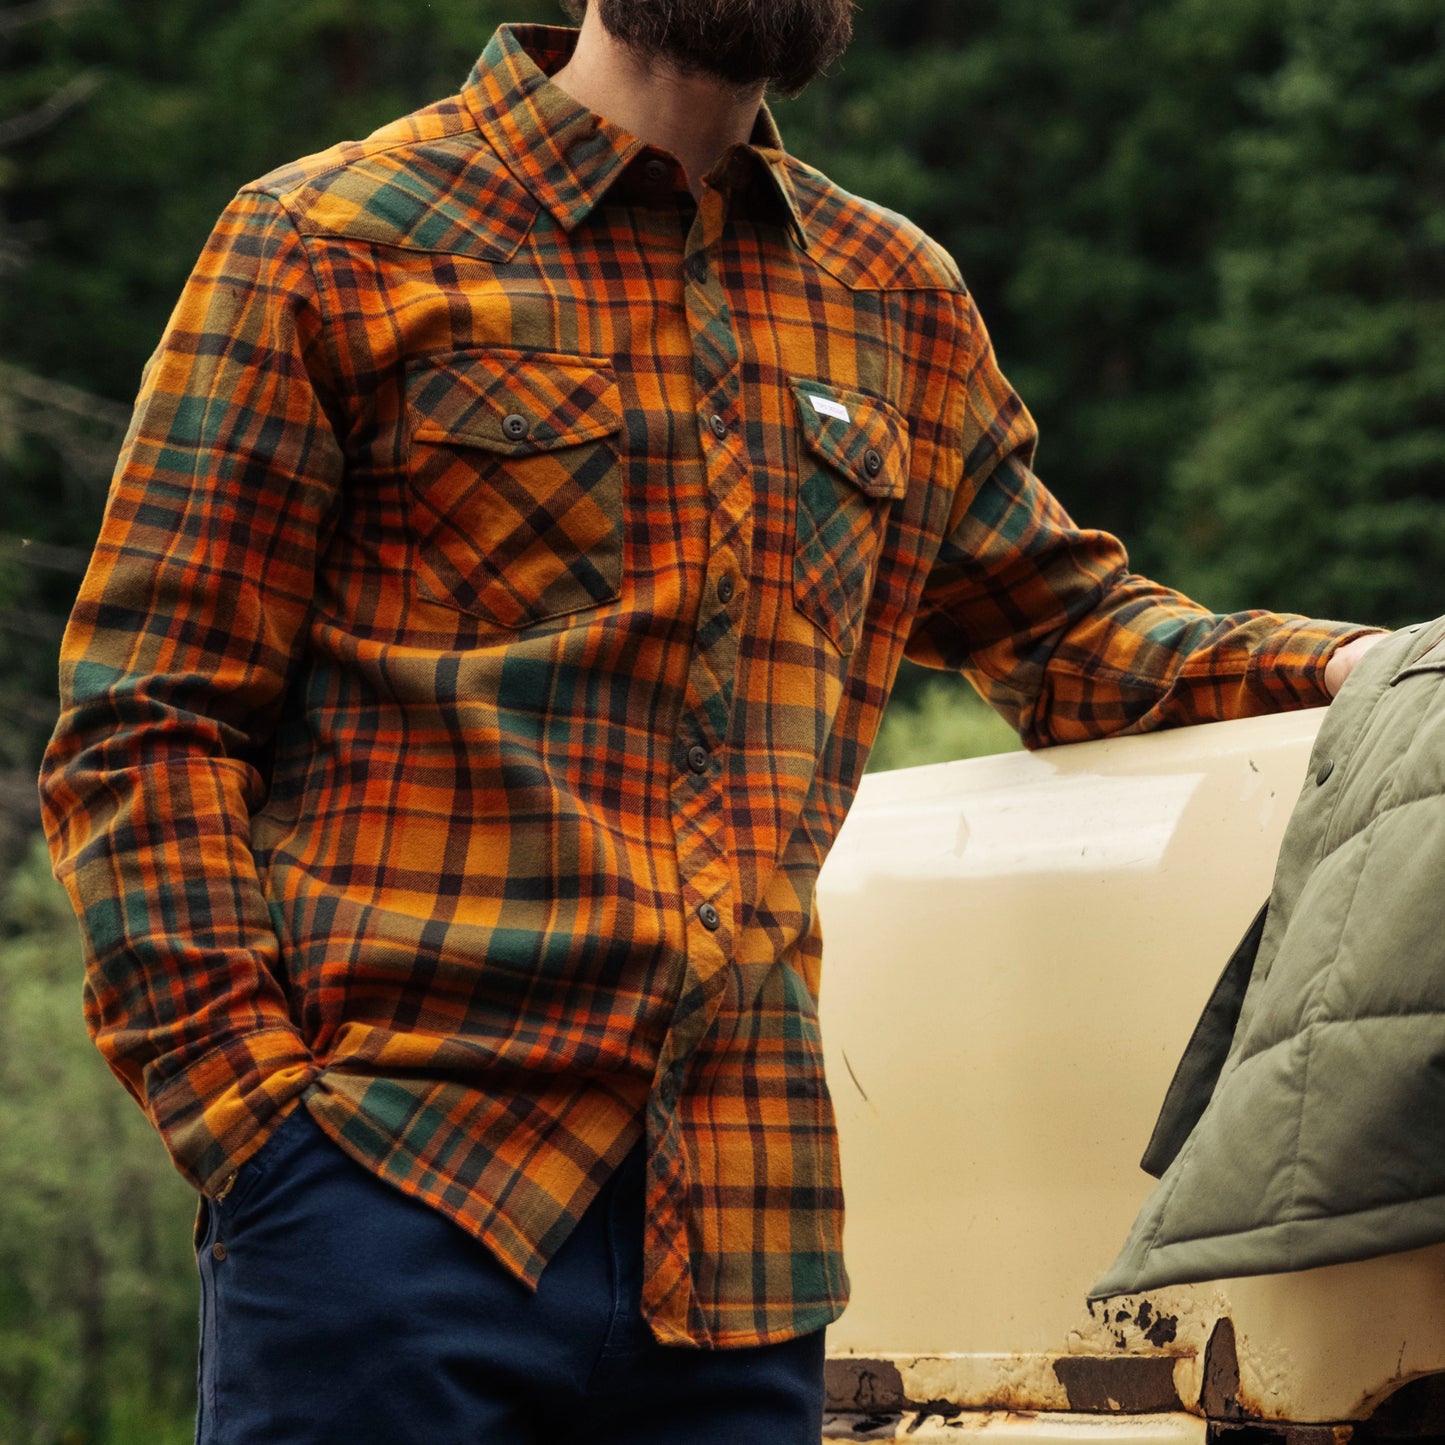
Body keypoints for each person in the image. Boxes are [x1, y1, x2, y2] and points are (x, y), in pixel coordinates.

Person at [38, 2, 1383, 1441]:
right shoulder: (330, 240)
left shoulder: (892, 295)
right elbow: (147, 716)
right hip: (392, 1198)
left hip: (743, 1253)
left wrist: (1373, 664)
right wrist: (254, 1125)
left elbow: (1071, 636)